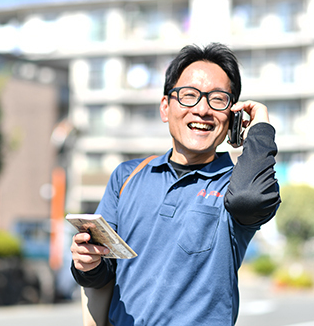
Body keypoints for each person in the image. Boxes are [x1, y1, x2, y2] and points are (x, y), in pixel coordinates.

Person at [70, 43, 281, 325]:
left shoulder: (235, 183)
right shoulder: (127, 176)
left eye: (218, 99)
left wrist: (261, 129)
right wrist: (87, 263)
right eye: (189, 96)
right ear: (165, 108)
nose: (202, 109)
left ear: (233, 115)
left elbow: (251, 200)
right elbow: (104, 272)